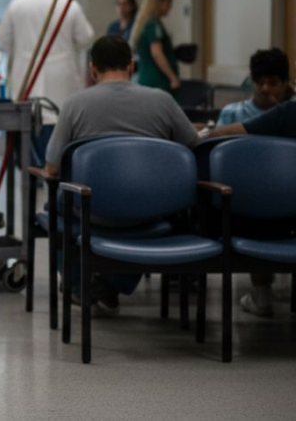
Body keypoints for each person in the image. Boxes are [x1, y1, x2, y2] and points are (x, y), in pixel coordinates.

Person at [45, 35, 199, 313]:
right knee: (151, 202)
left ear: (93, 69)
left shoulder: (75, 104)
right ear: (131, 66)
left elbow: (53, 167)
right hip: (150, 213)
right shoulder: (161, 100)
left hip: (91, 211)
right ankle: (111, 284)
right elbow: (192, 147)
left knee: (56, 204)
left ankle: (78, 282)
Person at [207, 98, 296, 317]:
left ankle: (262, 295)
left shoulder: (289, 112)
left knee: (258, 200)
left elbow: (231, 132)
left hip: (270, 215)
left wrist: (204, 135)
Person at [0, 0, 94, 163]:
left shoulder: (17, 5)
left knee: (27, 120)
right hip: (61, 73)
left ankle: (30, 169)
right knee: (58, 120)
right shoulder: (69, 4)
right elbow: (85, 38)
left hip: (26, 68)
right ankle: (53, 167)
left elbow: (5, 40)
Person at [216, 48, 293, 126]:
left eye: (272, 83)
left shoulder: (291, 115)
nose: (265, 89)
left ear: (285, 83)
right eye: (260, 83)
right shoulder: (232, 113)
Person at [130, 0, 180, 95]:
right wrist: (172, 77)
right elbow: (157, 54)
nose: (170, 6)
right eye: (168, 2)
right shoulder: (153, 25)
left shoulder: (144, 24)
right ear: (159, 3)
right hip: (157, 80)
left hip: (146, 77)